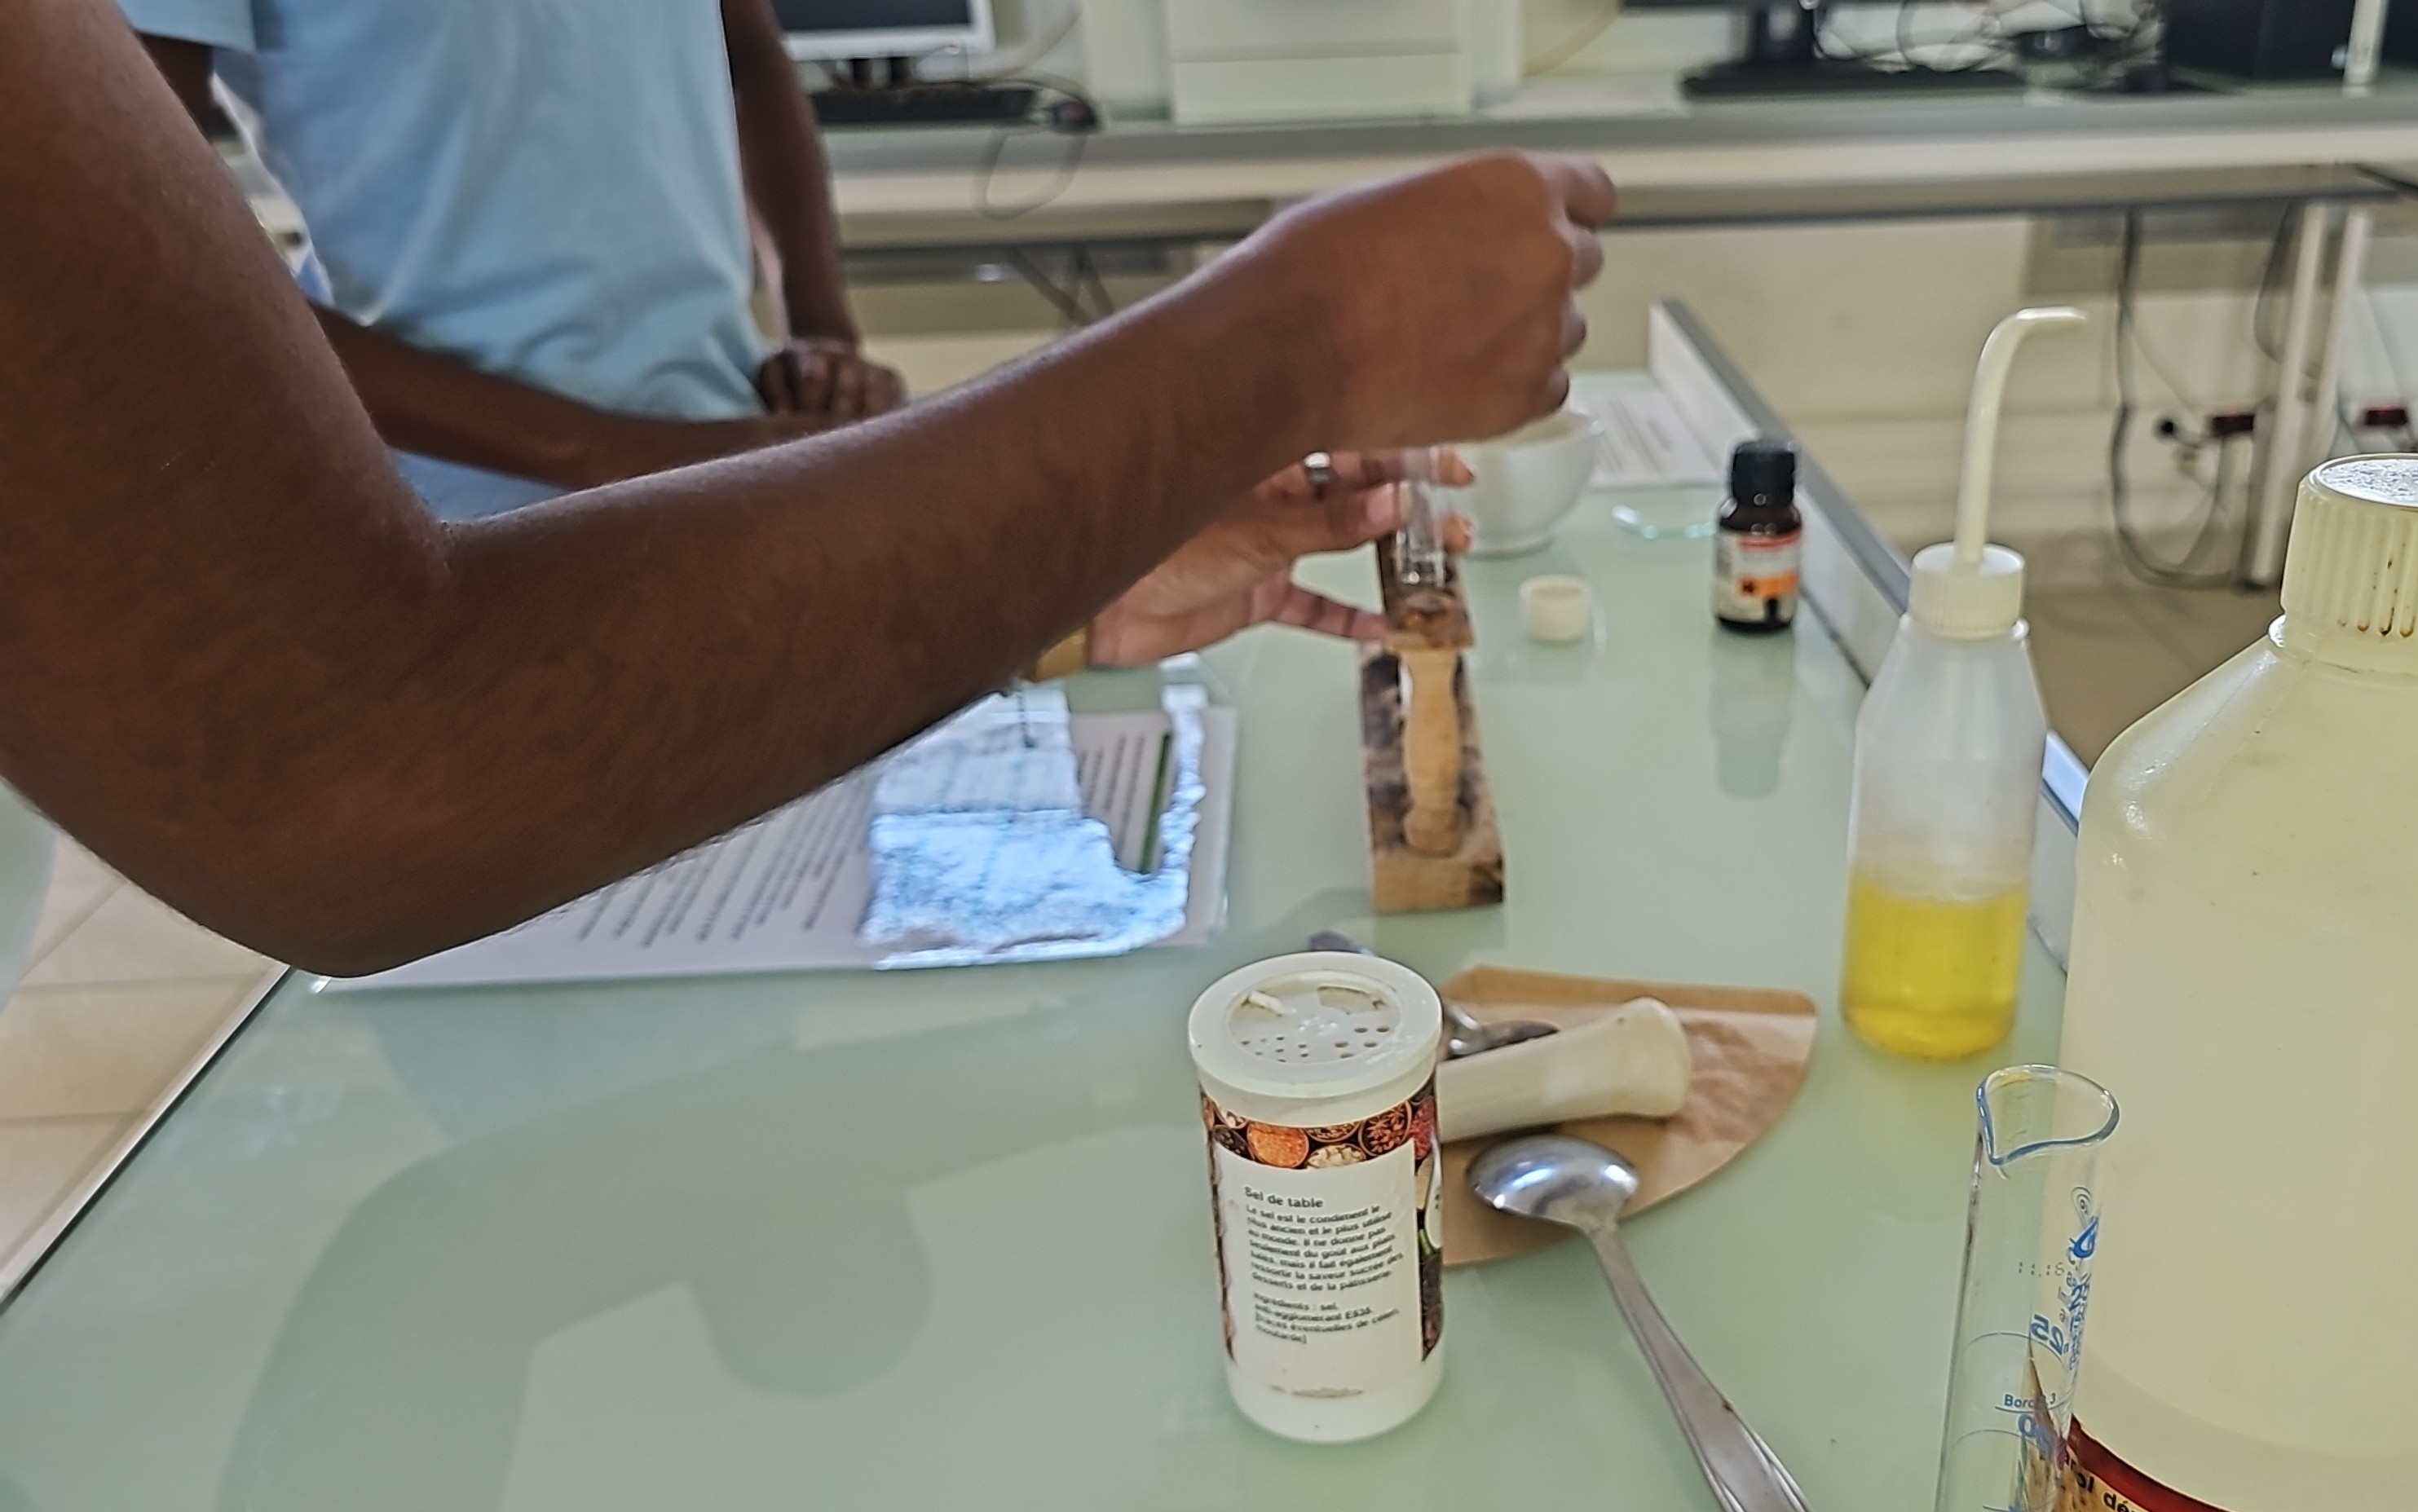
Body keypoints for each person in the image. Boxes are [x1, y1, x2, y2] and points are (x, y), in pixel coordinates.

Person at [0, 0, 1611, 983]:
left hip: (728, 501)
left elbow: (745, 50)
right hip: (477, 551)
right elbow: (355, 781)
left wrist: (1048, 557)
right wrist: (1294, 335)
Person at [126, 0, 907, 518]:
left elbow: (746, 52)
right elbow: (156, 265)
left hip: (724, 441)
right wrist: (615, 453)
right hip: (457, 521)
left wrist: (822, 332)